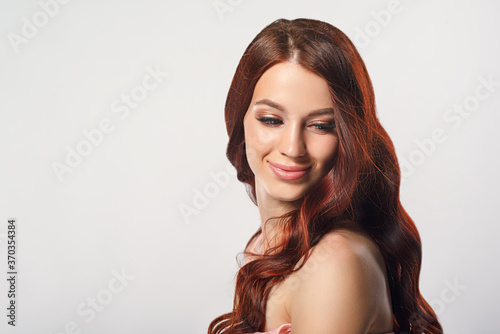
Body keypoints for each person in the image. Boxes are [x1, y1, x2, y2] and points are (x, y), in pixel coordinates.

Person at [208, 18, 443, 334]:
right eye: (271, 120)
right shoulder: (269, 248)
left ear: (348, 135)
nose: (293, 148)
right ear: (240, 121)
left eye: (321, 125)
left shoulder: (335, 261)